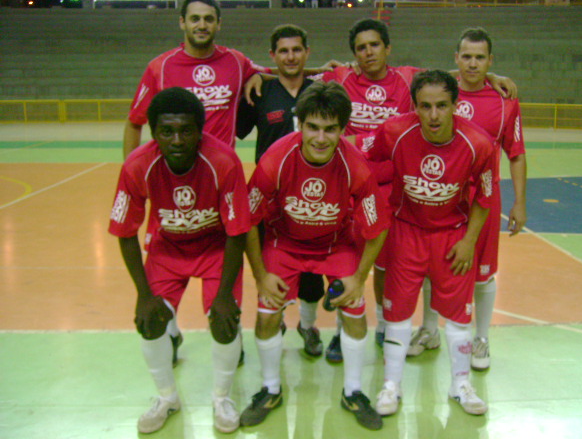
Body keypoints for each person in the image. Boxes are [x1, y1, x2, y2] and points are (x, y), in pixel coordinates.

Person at [316, 18, 516, 363]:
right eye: (361, 48)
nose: (368, 52)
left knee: (387, 265)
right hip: (351, 182)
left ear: (388, 48)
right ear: (353, 54)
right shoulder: (342, 77)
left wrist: (490, 78)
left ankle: (385, 327)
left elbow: (448, 79)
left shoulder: (408, 78)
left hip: (395, 188)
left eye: (374, 45)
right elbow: (293, 74)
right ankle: (340, 329)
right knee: (343, 257)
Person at [239, 82, 390, 431]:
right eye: (313, 127)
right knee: (266, 314)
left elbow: (378, 227)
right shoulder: (275, 159)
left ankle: (353, 392)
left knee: (355, 312)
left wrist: (358, 278)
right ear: (300, 124)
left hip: (336, 245)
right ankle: (270, 389)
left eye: (330, 129)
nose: (321, 138)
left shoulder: (356, 166)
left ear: (343, 129)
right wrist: (261, 275)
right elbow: (248, 219)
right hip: (284, 243)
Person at [109, 87, 251, 433]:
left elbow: (237, 232)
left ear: (200, 131)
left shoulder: (223, 161)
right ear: (153, 132)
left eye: (186, 130)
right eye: (166, 131)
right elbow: (125, 232)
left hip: (216, 248)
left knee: (224, 322)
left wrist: (224, 297)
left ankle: (221, 398)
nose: (176, 140)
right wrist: (143, 295)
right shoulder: (137, 165)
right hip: (168, 249)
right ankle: (167, 397)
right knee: (150, 321)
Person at [354, 70, 495, 416]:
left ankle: (461, 384)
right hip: (406, 232)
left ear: (456, 105)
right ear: (414, 106)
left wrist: (469, 241)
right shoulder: (394, 131)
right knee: (398, 312)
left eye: (442, 106)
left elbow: (485, 198)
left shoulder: (479, 144)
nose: (433, 115)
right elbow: (356, 151)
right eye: (425, 106)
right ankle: (391, 385)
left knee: (459, 317)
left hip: (453, 236)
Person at [409, 28, 527, 370]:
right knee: (433, 267)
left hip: (484, 200)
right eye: (466, 56)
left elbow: (516, 153)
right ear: (456, 58)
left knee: (483, 273)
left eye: (480, 58)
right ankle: (429, 330)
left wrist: (520, 201)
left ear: (490, 60)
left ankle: (482, 338)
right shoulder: (440, 93)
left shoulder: (505, 101)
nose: (473, 63)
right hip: (441, 197)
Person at [236, 24, 326, 357]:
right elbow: (236, 130)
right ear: (273, 56)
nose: (291, 57)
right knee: (274, 265)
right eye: (284, 51)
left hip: (313, 194)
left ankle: (308, 325)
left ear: (307, 53)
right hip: (271, 197)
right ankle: (278, 320)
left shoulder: (319, 90)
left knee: (312, 271)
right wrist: (255, 77)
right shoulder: (260, 92)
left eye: (297, 50)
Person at [123, 0, 265, 158]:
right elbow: (134, 122)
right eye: (195, 19)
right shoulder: (159, 67)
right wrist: (130, 168)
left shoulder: (236, 61)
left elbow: (280, 72)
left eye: (209, 19)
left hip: (220, 167)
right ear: (182, 22)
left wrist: (258, 75)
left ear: (218, 24)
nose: (202, 25)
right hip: (176, 167)